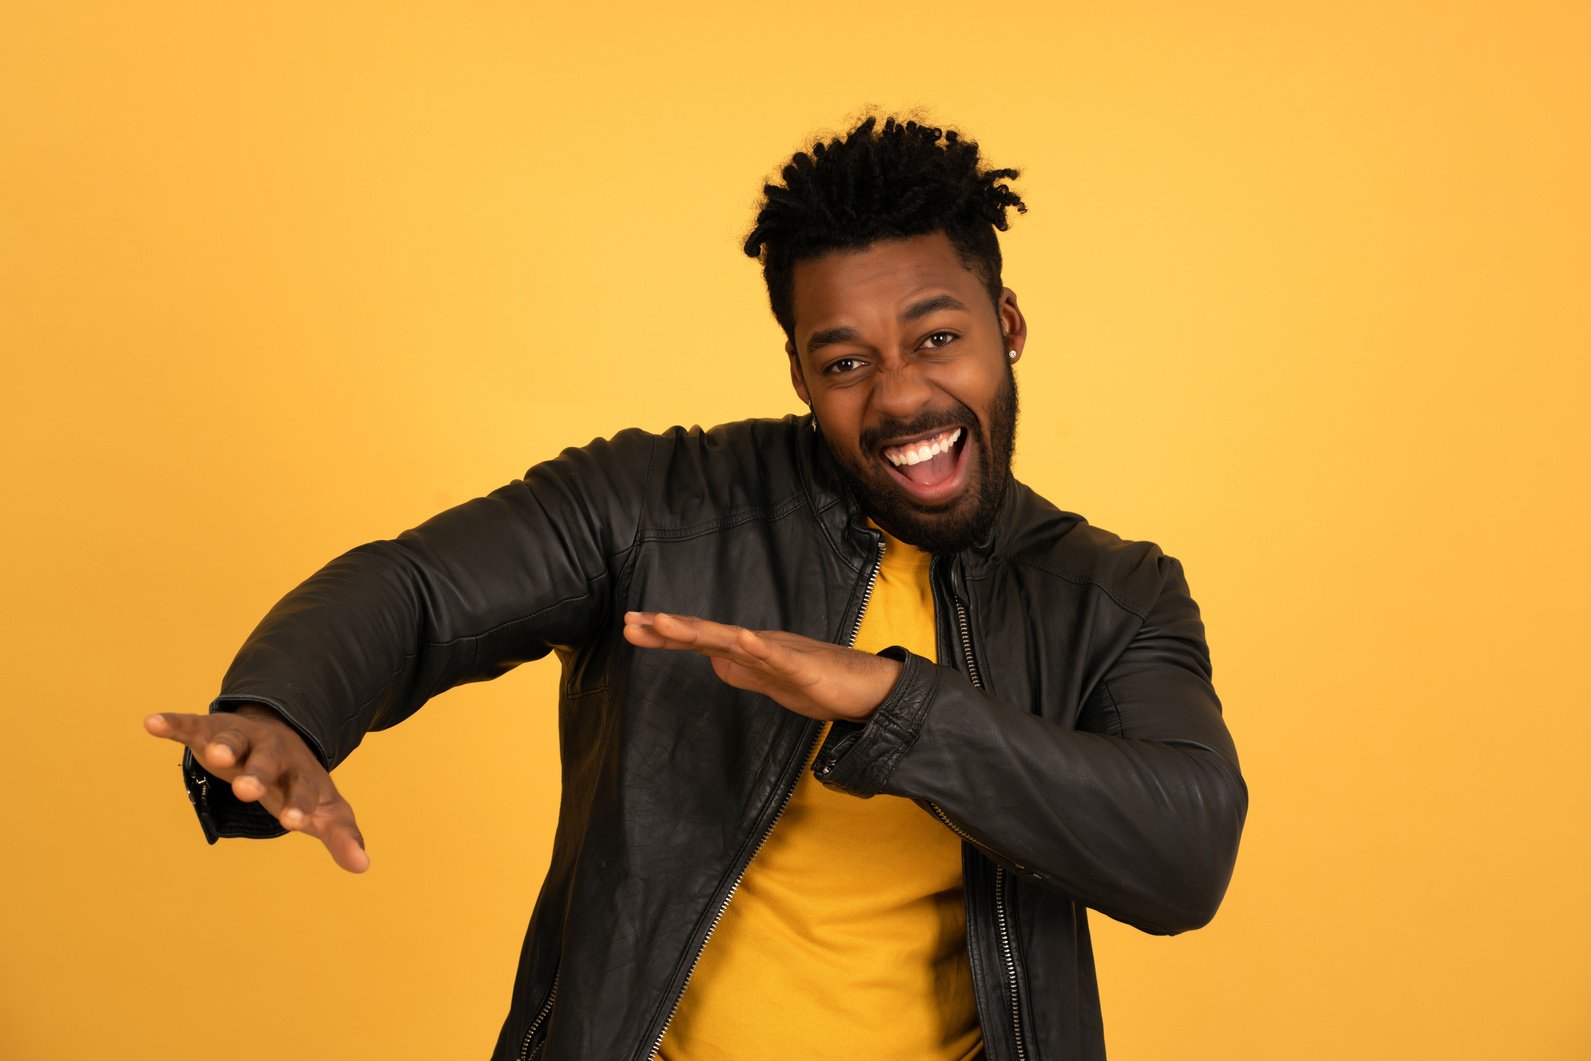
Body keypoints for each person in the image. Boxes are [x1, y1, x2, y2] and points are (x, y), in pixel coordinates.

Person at [145, 114, 1247, 1061]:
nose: (903, 394)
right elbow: (418, 588)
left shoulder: (1112, 594)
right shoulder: (657, 504)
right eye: (846, 361)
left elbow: (1184, 852)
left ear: (1005, 327)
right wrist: (282, 708)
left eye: (939, 337)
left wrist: (891, 704)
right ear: (800, 375)